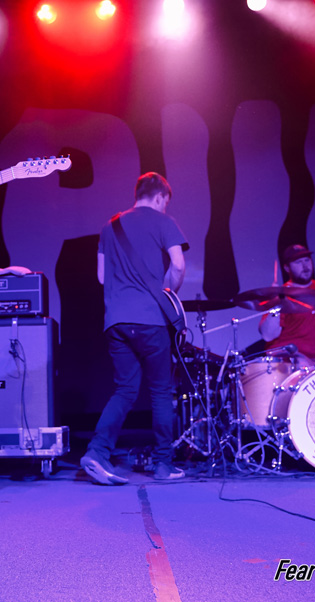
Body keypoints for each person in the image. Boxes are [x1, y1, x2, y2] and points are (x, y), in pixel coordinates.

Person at [81, 172, 189, 484]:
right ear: (159, 197)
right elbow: (179, 265)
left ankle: (97, 452)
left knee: (125, 389)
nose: (165, 208)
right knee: (159, 392)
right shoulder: (163, 222)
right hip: (151, 320)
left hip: (116, 321)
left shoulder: (109, 225)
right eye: (165, 202)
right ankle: (163, 464)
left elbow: (102, 277)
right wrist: (169, 291)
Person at [258, 244, 315, 363]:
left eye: (307, 260)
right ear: (287, 268)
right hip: (293, 362)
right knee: (300, 362)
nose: (305, 266)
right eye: (298, 262)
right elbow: (268, 335)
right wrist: (275, 303)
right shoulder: (281, 294)